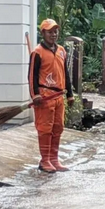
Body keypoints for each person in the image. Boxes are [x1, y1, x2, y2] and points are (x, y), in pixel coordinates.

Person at [28, 19, 75, 173]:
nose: (53, 34)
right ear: (43, 33)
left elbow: (65, 73)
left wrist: (70, 95)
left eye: (55, 31)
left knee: (58, 127)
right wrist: (35, 95)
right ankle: (45, 160)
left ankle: (54, 159)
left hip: (59, 95)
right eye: (50, 32)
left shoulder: (61, 50)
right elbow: (31, 76)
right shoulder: (37, 52)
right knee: (45, 128)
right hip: (45, 96)